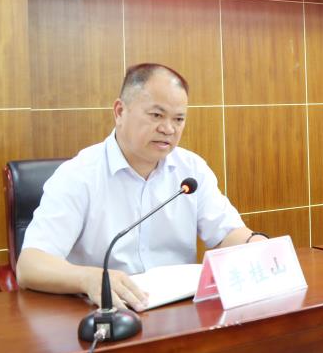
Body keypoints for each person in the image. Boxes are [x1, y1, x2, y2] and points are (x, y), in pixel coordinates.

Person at [16, 63, 267, 311]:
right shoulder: (78, 175)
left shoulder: (191, 170)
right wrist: (88, 278)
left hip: (178, 312)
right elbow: (30, 266)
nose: (168, 129)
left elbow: (226, 234)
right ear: (119, 111)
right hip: (108, 313)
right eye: (156, 115)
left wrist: (255, 244)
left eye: (178, 119)